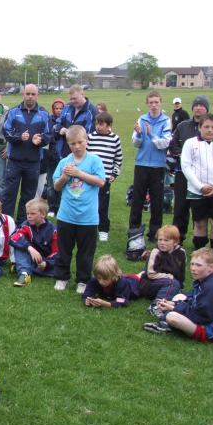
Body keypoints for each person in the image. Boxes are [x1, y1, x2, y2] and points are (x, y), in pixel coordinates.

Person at [52, 125, 106, 294]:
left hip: (88, 216)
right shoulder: (64, 162)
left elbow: (101, 182)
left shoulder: (94, 160)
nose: (76, 146)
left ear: (86, 141)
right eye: (72, 143)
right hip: (66, 215)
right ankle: (62, 277)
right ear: (68, 144)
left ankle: (83, 280)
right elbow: (56, 186)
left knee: (85, 251)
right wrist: (64, 177)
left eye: (80, 142)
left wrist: (79, 173)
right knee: (64, 249)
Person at [143, 248, 213, 344]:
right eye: (192, 264)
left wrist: (174, 308)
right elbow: (194, 301)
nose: (193, 268)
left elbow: (201, 317)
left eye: (198, 265)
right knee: (179, 296)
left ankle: (168, 324)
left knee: (172, 317)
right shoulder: (204, 281)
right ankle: (167, 323)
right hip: (204, 318)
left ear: (211, 268)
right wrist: (174, 304)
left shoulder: (210, 288)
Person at [167, 95, 213, 243]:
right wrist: (185, 157)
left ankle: (201, 240)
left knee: (202, 210)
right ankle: (178, 238)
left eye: (202, 105)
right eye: (196, 105)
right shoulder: (182, 126)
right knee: (180, 208)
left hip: (205, 176)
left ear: (207, 108)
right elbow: (173, 146)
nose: (198, 107)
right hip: (182, 173)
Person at [180, 113, 213, 260]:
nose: (210, 130)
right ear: (199, 127)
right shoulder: (190, 143)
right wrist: (200, 186)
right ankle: (200, 257)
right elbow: (186, 166)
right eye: (206, 127)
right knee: (200, 224)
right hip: (197, 191)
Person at [1, 83, 50, 224]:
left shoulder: (43, 113)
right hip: (15, 161)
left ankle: (23, 223)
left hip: (34, 162)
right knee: (9, 194)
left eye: (33, 94)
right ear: (23, 95)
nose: (30, 97)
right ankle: (7, 224)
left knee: (28, 196)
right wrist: (18, 138)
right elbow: (6, 131)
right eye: (27, 93)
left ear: (37, 95)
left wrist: (39, 141)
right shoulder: (13, 112)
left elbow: (48, 135)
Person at [128, 91, 171, 244]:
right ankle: (134, 230)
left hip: (158, 166)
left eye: (156, 102)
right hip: (141, 164)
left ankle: (154, 233)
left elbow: (165, 143)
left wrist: (151, 134)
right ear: (147, 103)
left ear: (161, 103)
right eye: (151, 102)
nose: (153, 105)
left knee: (157, 200)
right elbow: (135, 143)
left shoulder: (166, 121)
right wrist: (139, 135)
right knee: (137, 199)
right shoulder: (141, 119)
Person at [87, 112, 123, 242]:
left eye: (101, 124)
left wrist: (114, 173)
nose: (98, 126)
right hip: (89, 178)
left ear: (109, 125)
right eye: (97, 123)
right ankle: (89, 227)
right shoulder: (90, 137)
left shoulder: (115, 139)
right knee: (89, 203)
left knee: (103, 205)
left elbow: (118, 159)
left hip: (104, 179)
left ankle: (103, 229)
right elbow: (85, 155)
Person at [11, 198, 58, 287]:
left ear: (43, 214)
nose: (29, 216)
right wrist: (29, 247)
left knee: (59, 269)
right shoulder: (26, 225)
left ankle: (24, 268)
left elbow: (57, 252)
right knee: (19, 247)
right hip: (30, 256)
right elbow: (13, 237)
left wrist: (47, 263)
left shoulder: (54, 230)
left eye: (32, 214)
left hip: (44, 261)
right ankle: (24, 274)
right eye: (27, 213)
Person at [140, 225, 186, 315]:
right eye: (160, 240)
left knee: (182, 294)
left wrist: (180, 286)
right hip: (150, 284)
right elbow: (151, 274)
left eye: (166, 240)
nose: (162, 243)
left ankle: (170, 298)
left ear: (175, 242)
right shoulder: (156, 252)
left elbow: (182, 272)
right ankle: (155, 306)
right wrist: (169, 277)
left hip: (171, 283)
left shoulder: (181, 253)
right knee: (172, 283)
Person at [51, 84, 97, 161]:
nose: (72, 101)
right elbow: (56, 124)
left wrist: (68, 132)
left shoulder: (92, 112)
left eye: (75, 98)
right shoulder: (67, 107)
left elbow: (88, 135)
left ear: (83, 95)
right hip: (63, 155)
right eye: (71, 99)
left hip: (81, 157)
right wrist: (60, 129)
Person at [43, 98, 65, 216]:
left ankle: (60, 206)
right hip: (52, 157)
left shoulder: (66, 121)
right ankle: (52, 207)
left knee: (62, 183)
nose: (58, 111)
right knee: (51, 182)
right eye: (56, 108)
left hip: (64, 157)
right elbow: (49, 135)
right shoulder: (50, 120)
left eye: (61, 108)